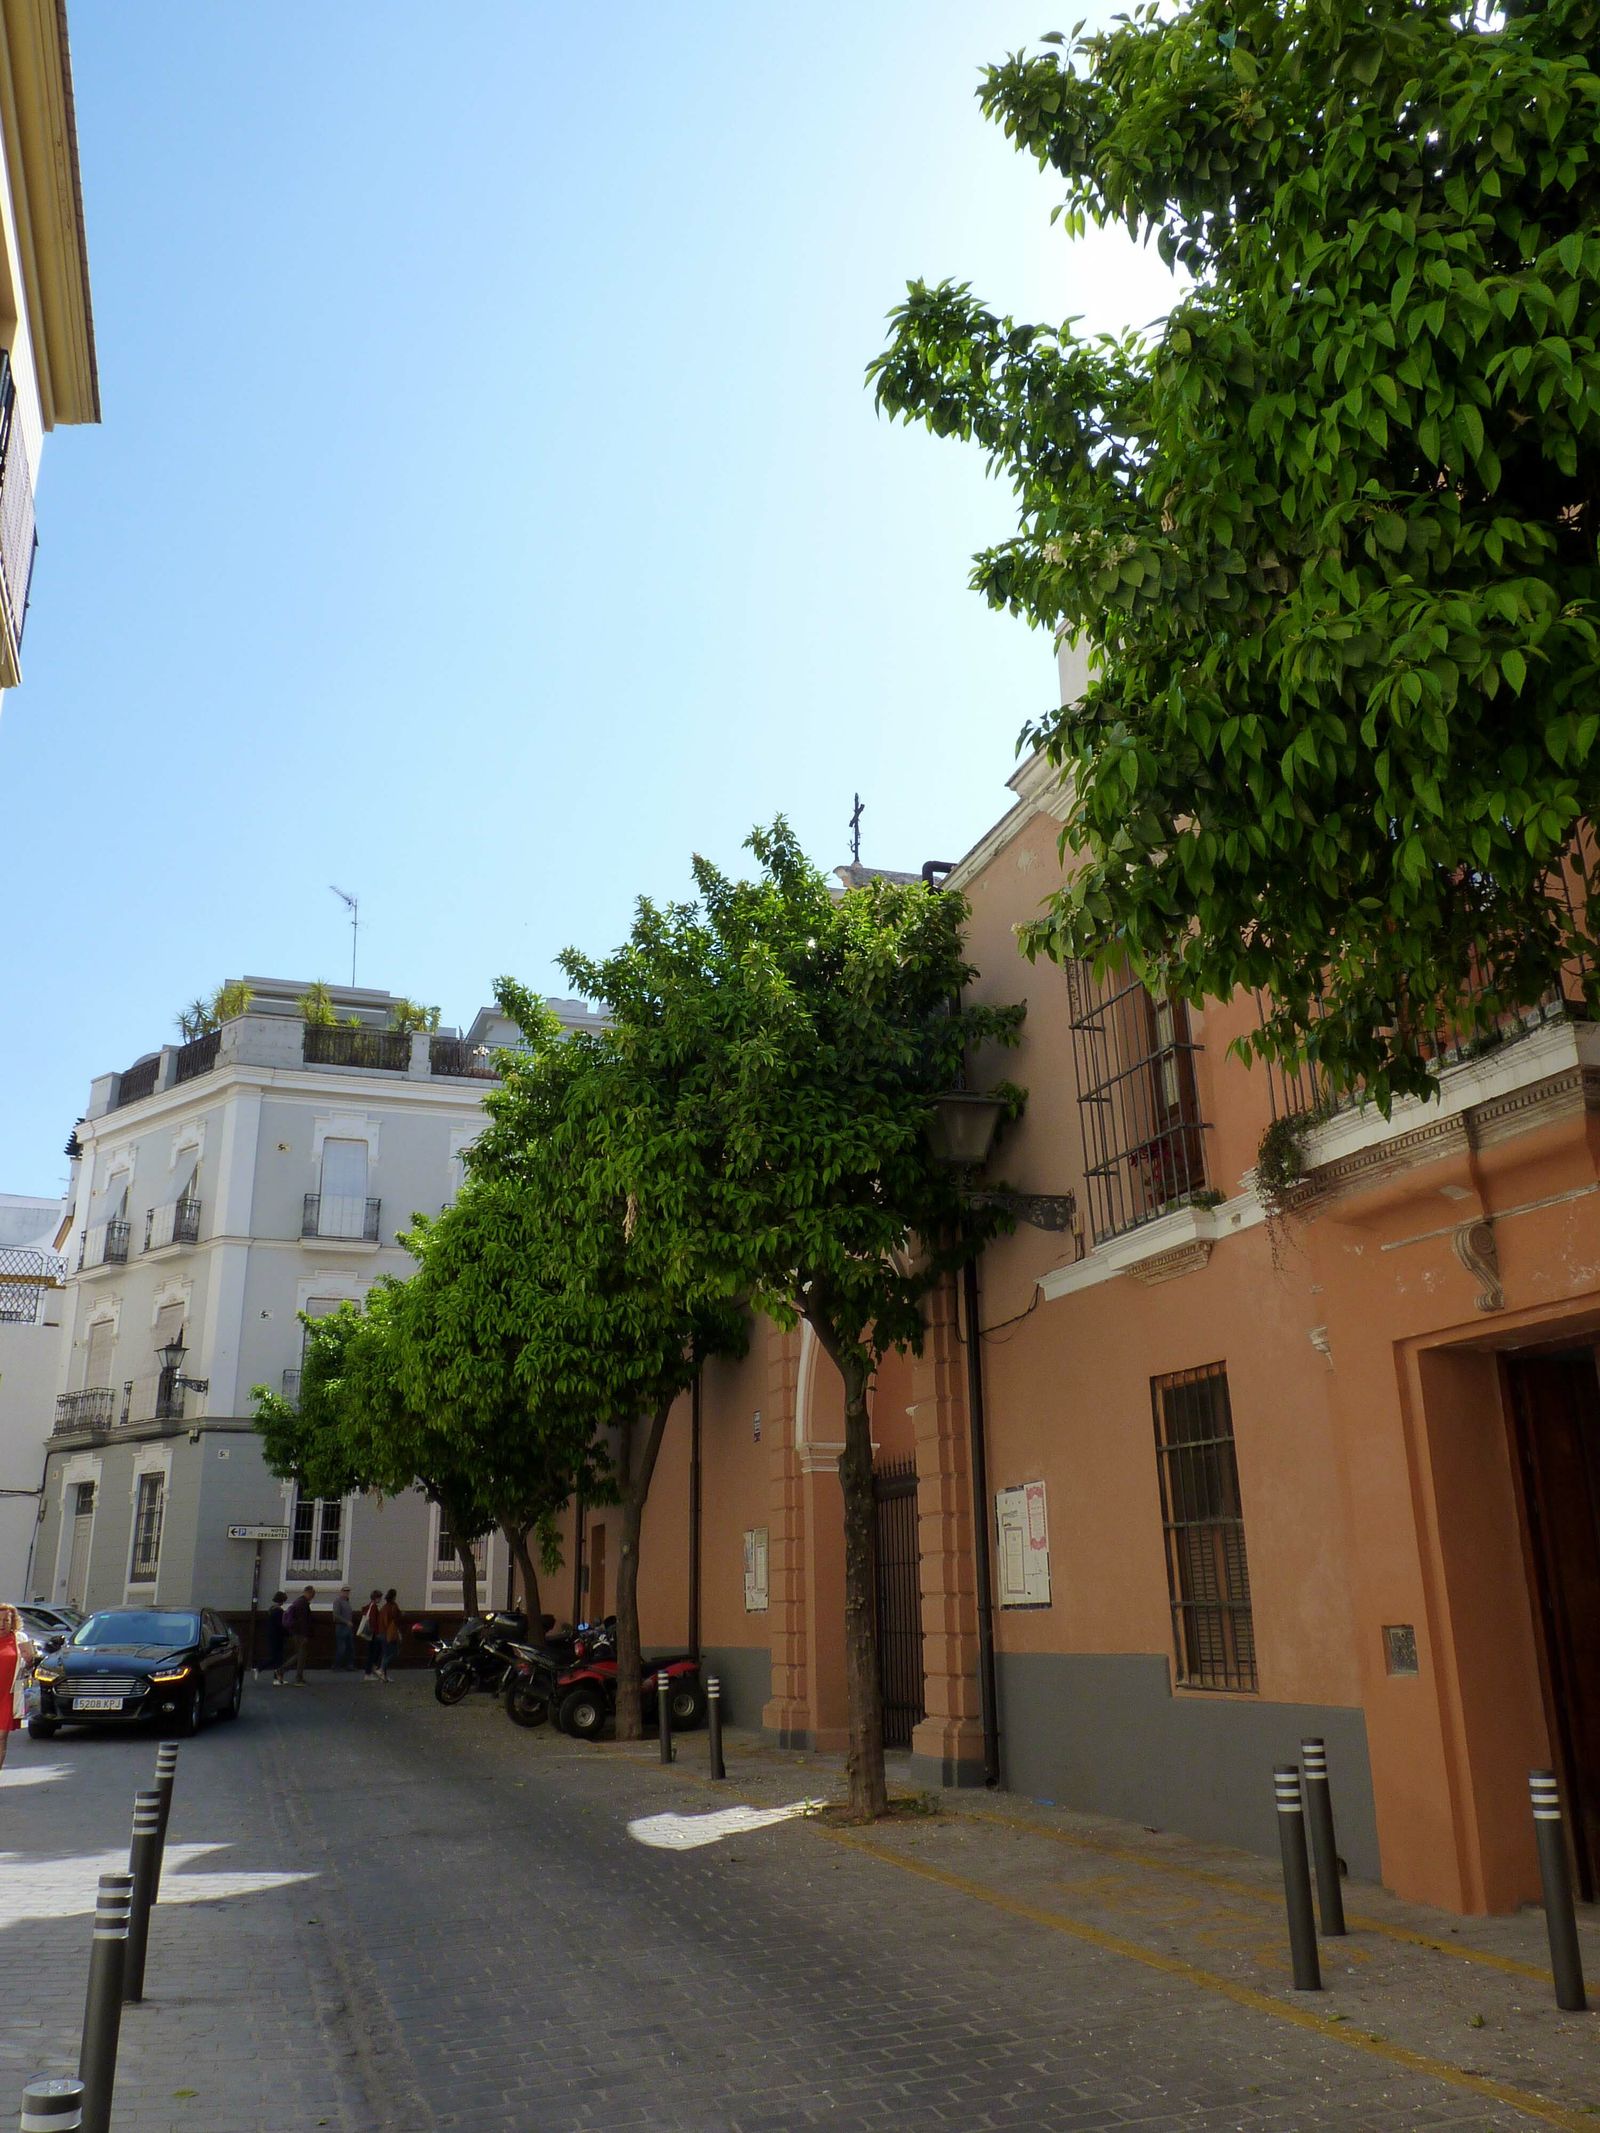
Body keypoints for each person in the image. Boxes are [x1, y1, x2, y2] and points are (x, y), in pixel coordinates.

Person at [0, 1604, 37, 1770]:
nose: (2, 1624)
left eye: (6, 1620)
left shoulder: (20, 1638)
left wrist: (30, 1661)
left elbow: (28, 1668)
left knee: (1, 1737)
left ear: (12, 1621)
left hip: (8, 1695)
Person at [283, 1586, 315, 1684]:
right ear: (308, 1593)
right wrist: (306, 1635)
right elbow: (303, 1622)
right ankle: (294, 1675)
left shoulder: (298, 1602)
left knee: (300, 1654)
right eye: (312, 1595)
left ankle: (289, 1673)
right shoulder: (303, 1604)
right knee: (301, 1655)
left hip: (296, 1632)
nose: (312, 1597)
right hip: (300, 1634)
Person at [378, 1587, 402, 1682]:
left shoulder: (384, 1607)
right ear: (394, 1597)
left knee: (385, 1653)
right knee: (393, 1652)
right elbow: (396, 1617)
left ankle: (383, 1676)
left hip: (382, 1632)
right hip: (389, 1633)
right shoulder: (393, 1606)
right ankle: (381, 1670)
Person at [359, 1589, 384, 1679]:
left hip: (370, 1633)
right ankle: (368, 1673)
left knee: (372, 1652)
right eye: (380, 1597)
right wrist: (377, 1632)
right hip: (373, 1633)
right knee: (373, 1653)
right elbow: (373, 1620)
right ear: (377, 1598)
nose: (380, 1599)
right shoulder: (374, 1607)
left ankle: (370, 1671)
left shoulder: (370, 1606)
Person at [330, 1586, 356, 1671]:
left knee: (350, 1647)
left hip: (348, 1628)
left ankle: (349, 1665)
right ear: (341, 1592)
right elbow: (336, 1616)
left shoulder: (347, 1602)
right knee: (341, 1648)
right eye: (345, 1591)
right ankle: (337, 1666)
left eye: (348, 1591)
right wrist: (346, 1622)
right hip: (341, 1627)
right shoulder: (338, 1602)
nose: (347, 1593)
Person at [266, 1591, 288, 1685]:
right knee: (279, 1658)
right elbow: (281, 1625)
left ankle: (278, 1678)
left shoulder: (271, 1610)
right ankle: (278, 1678)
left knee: (275, 1657)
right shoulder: (278, 1611)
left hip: (272, 1635)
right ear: (281, 1600)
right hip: (278, 1636)